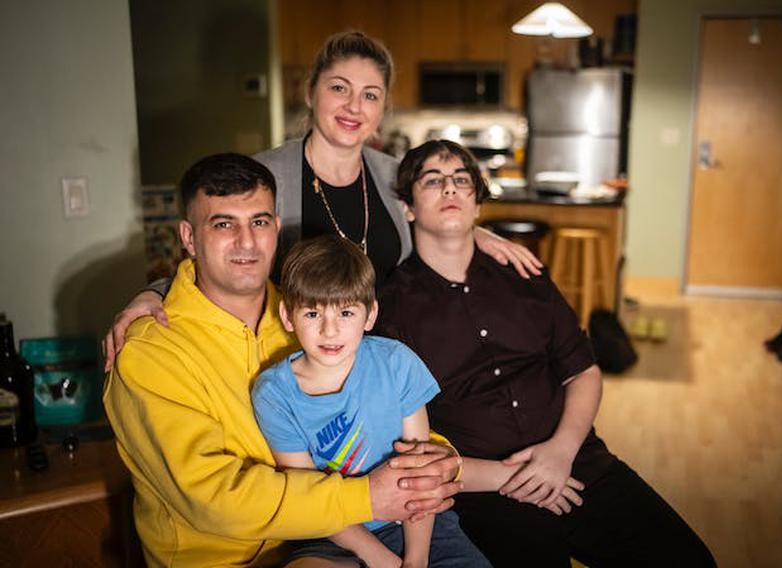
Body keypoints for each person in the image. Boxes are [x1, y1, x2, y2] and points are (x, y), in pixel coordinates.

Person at [102, 30, 540, 370]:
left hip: (391, 361)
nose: (354, 106)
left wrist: (477, 233)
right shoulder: (264, 177)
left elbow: (441, 217)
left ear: (383, 106)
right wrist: (152, 294)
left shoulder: (396, 176)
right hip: (298, 368)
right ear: (311, 92)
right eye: (339, 88)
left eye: (370, 94)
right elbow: (218, 255)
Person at [104, 153, 462, 567]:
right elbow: (212, 500)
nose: (246, 242)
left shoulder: (308, 316)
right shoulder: (150, 351)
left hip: (335, 539)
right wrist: (369, 495)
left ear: (276, 227)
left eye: (258, 222)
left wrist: (438, 462)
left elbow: (379, 406)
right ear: (187, 236)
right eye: (223, 224)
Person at [376, 140, 717, 568]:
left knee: (690, 561)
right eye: (433, 180)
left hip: (577, 464)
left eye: (461, 180)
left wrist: (560, 451)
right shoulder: (390, 309)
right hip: (483, 494)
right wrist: (509, 476)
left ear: (477, 205)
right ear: (408, 207)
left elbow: (584, 371)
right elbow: (408, 440)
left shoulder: (524, 275)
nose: (450, 189)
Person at [251, 235, 490, 568]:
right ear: (288, 316)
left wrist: (416, 559)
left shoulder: (396, 362)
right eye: (312, 314)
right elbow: (310, 495)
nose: (330, 331)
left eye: (346, 312)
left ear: (370, 314)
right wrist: (383, 561)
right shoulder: (273, 393)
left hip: (415, 520)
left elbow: (421, 471)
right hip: (332, 531)